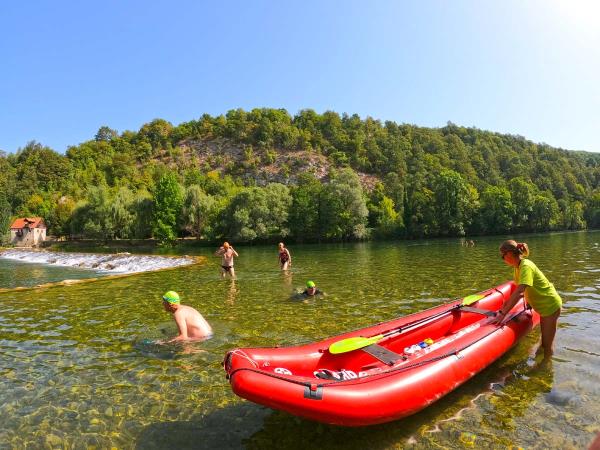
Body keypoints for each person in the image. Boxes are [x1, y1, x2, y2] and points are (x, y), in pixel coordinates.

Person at [494, 240, 562, 359]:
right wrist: (527, 303)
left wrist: (503, 313)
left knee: (546, 346)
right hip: (543, 306)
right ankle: (542, 365)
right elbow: (525, 289)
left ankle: (546, 369)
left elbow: (520, 291)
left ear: (509, 254)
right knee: (544, 342)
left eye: (502, 256)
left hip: (549, 306)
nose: (502, 259)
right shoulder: (517, 267)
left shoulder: (526, 266)